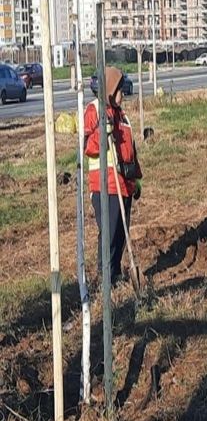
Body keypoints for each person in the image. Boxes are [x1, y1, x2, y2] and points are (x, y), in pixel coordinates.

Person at [83, 66, 143, 286]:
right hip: (104, 183)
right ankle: (105, 276)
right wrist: (102, 132)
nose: (123, 95)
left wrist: (137, 177)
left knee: (121, 230)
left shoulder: (122, 115)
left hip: (124, 182)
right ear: (110, 90)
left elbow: (130, 148)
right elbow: (88, 147)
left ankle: (115, 271)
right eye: (120, 91)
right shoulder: (95, 110)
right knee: (108, 232)